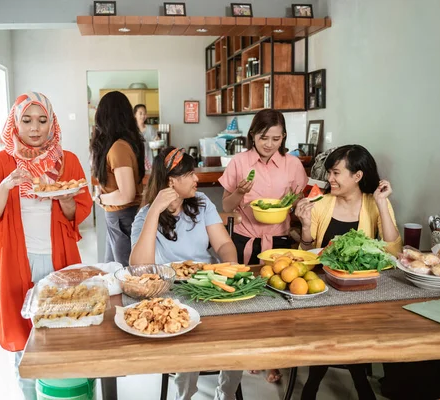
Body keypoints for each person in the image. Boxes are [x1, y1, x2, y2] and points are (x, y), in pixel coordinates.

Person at [0, 92, 92, 400]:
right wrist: (5, 185)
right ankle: (29, 392)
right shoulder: (0, 163)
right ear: (15, 122)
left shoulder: (68, 162)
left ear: (52, 123)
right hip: (17, 259)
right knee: (23, 334)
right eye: (27, 120)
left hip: (60, 258)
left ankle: (64, 387)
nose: (35, 128)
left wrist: (66, 201)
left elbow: (77, 211)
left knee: (65, 323)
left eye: (42, 120)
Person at [130, 147, 241, 400]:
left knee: (237, 333)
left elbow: (223, 245)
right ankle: (185, 396)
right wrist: (154, 211)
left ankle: (227, 394)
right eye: (190, 174)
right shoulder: (146, 216)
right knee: (186, 338)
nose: (196, 179)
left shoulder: (201, 203)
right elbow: (139, 269)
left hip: (210, 283)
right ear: (171, 181)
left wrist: (230, 268)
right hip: (173, 293)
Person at [294, 144, 402, 400]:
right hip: (323, 286)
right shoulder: (321, 203)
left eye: (335, 173)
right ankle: (357, 382)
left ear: (357, 176)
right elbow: (307, 258)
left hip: (363, 289)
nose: (329, 179)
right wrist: (306, 228)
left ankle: (314, 383)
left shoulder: (374, 204)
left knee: (349, 326)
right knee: (332, 325)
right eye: (330, 172)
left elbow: (394, 251)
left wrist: (382, 204)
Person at [218, 109, 307, 384]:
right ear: (253, 135)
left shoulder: (293, 165)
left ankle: (272, 359)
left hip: (279, 242)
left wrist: (297, 211)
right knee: (246, 299)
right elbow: (226, 206)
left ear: (283, 138)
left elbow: (298, 202)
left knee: (277, 300)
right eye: (264, 137)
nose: (270, 144)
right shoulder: (240, 162)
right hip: (246, 239)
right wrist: (240, 193)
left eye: (277, 138)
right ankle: (250, 353)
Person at [91, 91, 145, 267]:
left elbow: (126, 195)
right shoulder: (122, 145)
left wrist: (100, 198)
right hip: (118, 217)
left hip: (123, 217)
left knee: (124, 274)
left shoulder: (118, 148)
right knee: (112, 270)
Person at [134, 104, 158, 169]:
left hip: (150, 161)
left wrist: (157, 142)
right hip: (136, 162)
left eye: (144, 113)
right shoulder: (132, 131)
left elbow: (155, 147)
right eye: (140, 113)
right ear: (135, 115)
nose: (143, 116)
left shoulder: (151, 129)